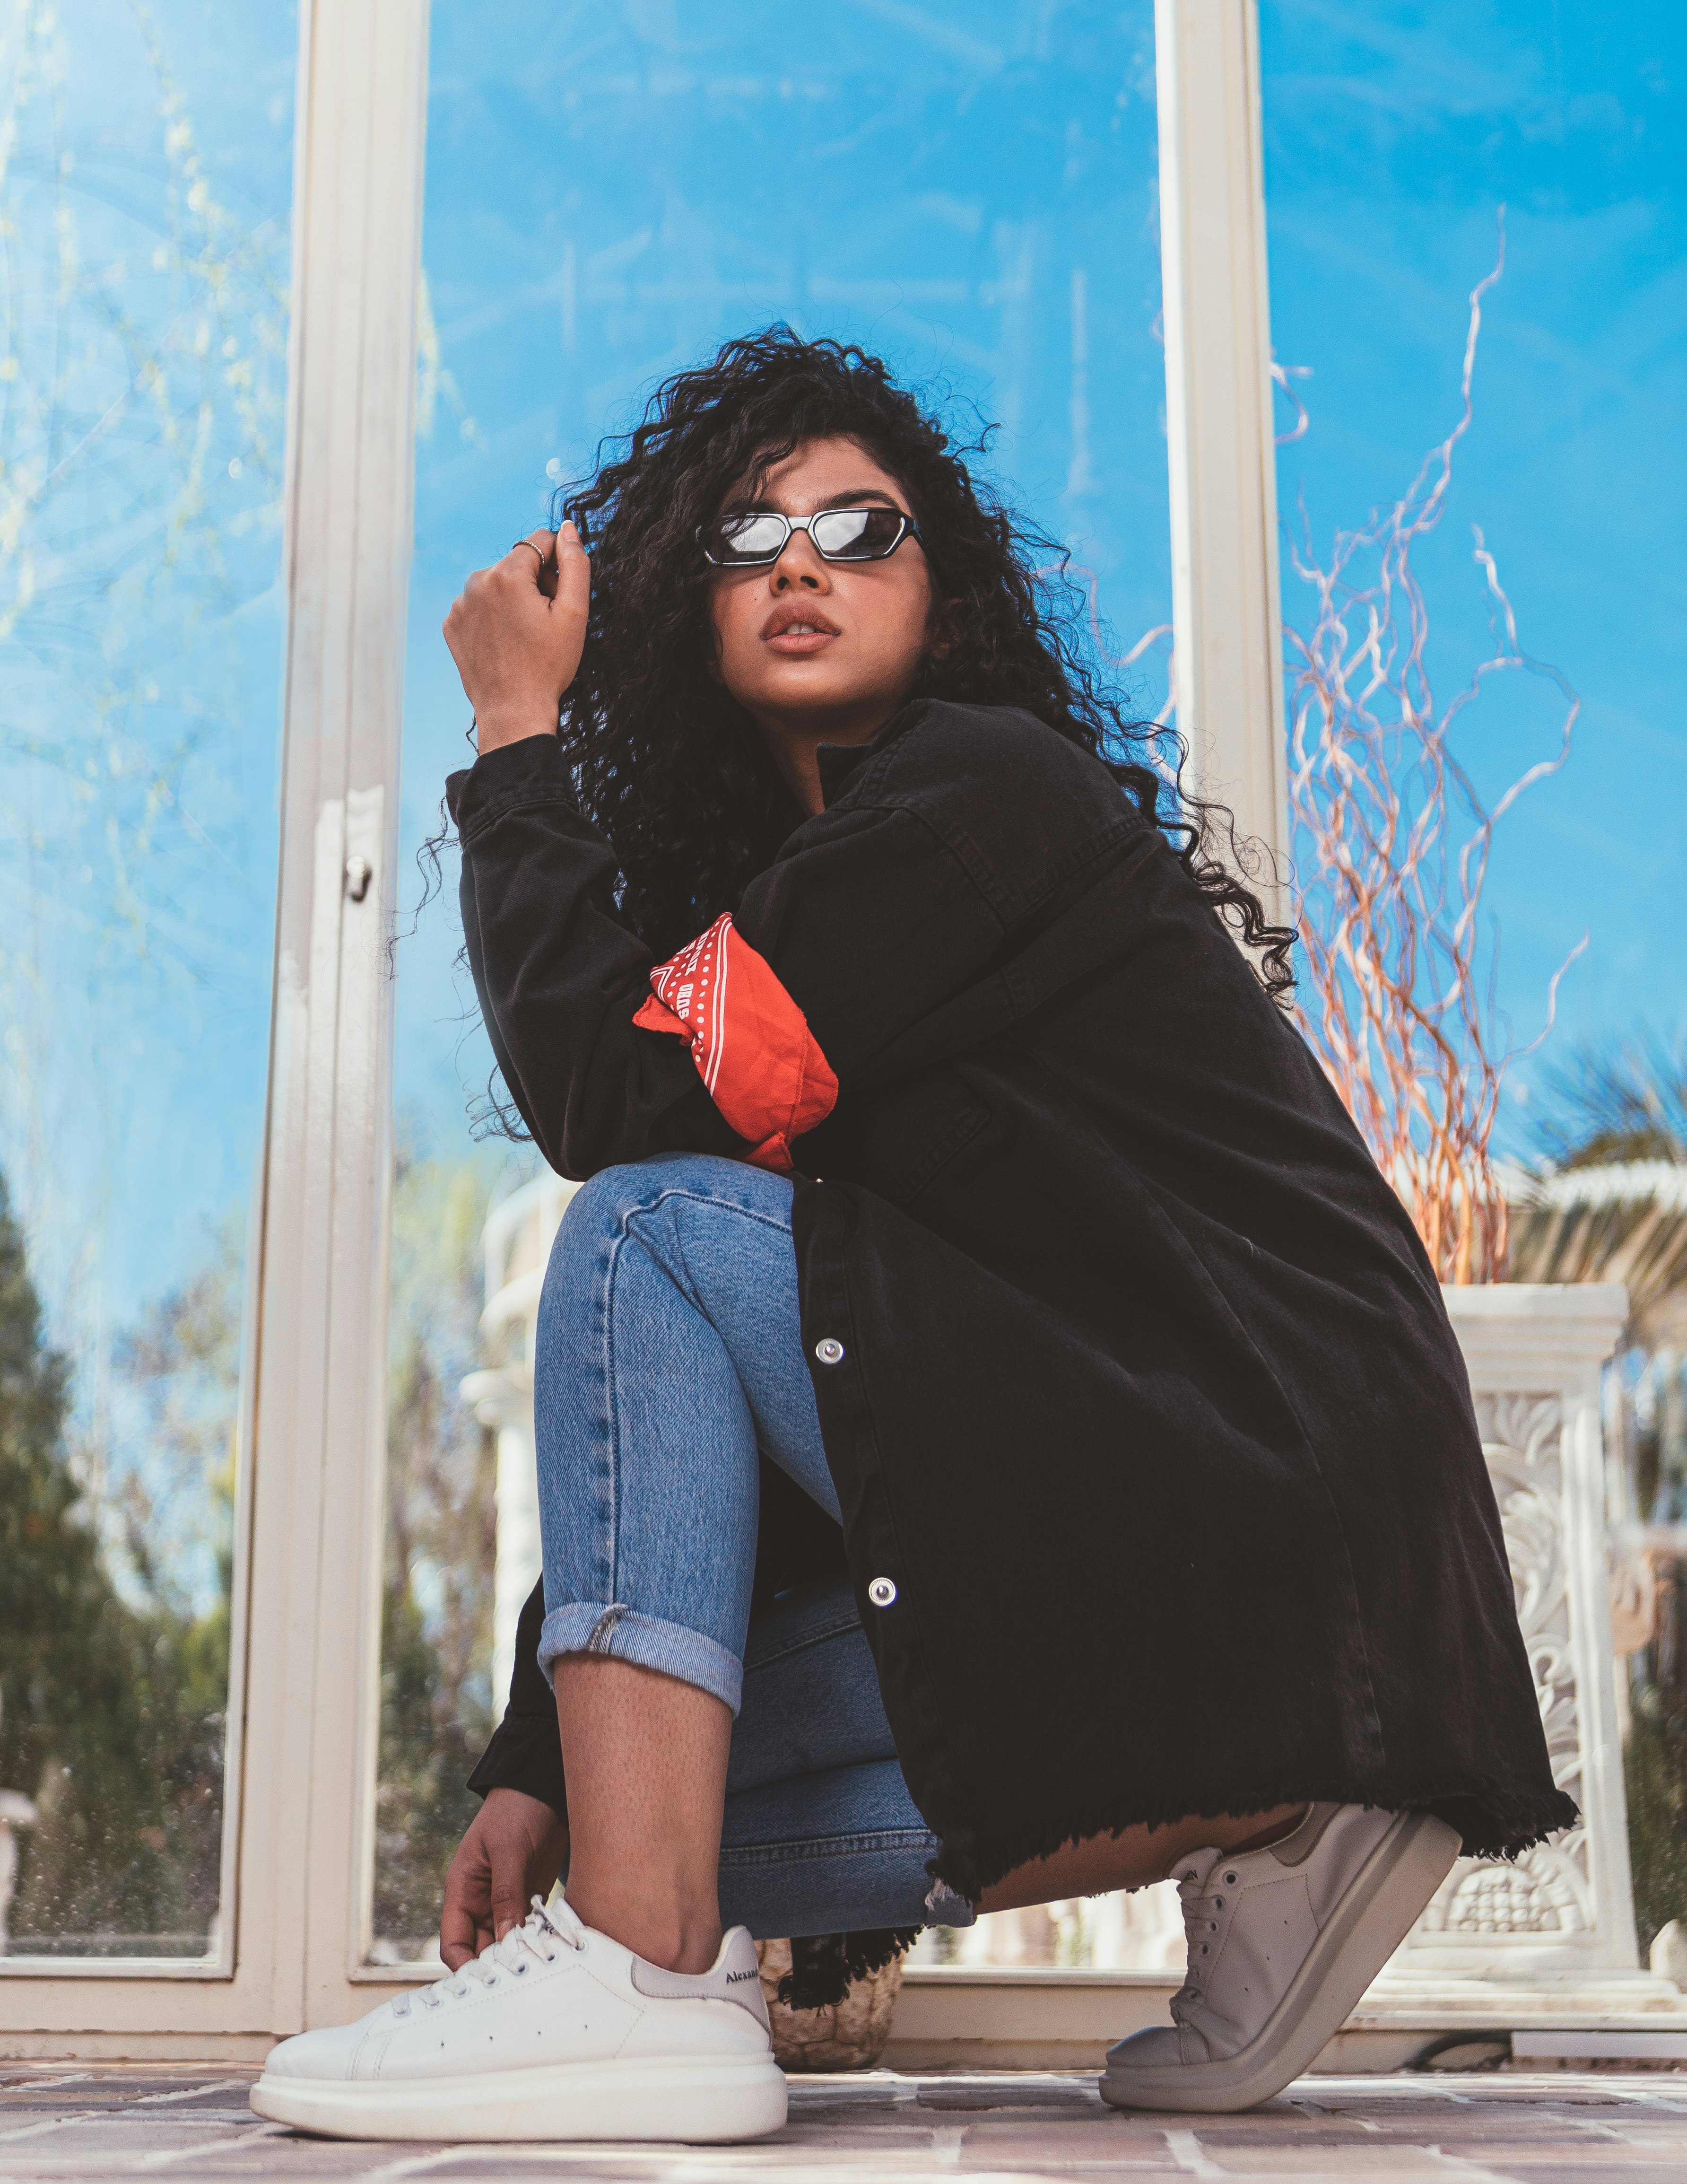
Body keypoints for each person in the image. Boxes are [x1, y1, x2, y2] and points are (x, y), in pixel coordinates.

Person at [251, 332, 1573, 2144]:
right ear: (683, 610)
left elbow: (614, 1119)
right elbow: (791, 1372)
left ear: (941, 596)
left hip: (1260, 1491)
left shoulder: (979, 789)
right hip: (1224, 1574)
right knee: (658, 1784)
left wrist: (508, 734)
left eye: (860, 526)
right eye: (747, 535)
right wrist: (541, 1760)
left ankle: (641, 1970)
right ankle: (1277, 1815)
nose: (800, 561)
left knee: (638, 1235)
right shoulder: (817, 945)